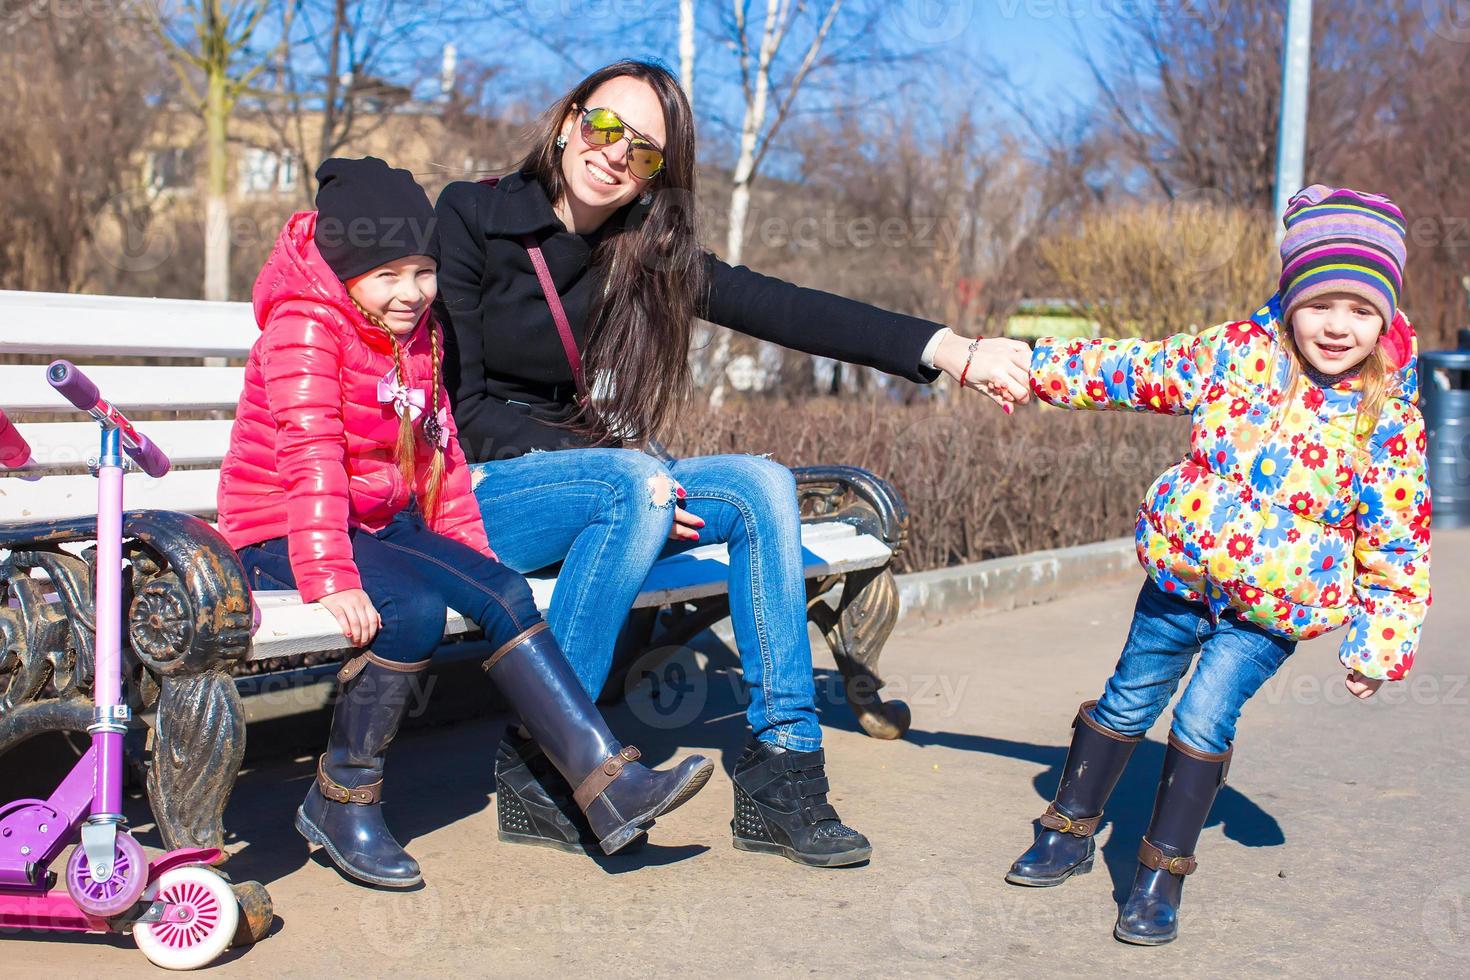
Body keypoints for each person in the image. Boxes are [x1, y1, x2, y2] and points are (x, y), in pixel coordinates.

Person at [432, 60, 1033, 868]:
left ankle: (783, 770)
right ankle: (552, 763)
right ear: (571, 119)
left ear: (656, 178)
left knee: (759, 486)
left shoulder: (637, 249)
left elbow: (785, 307)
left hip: (599, 485)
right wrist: (628, 479)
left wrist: (950, 350)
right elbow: (462, 409)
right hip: (483, 489)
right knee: (636, 480)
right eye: (606, 128)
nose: (615, 155)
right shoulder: (473, 214)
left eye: (644, 152)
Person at [216, 156, 713, 889]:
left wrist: (476, 560)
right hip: (282, 530)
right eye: (388, 276)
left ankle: (606, 783)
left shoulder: (413, 336)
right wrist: (328, 575)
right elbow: (310, 454)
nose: (412, 294)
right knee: (409, 611)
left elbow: (441, 458)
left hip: (382, 524)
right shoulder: (304, 329)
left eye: (423, 271)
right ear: (346, 270)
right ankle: (342, 799)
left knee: (505, 593)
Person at [1010, 185, 1431, 944]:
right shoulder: (1235, 354)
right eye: (1321, 304)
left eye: (1361, 311)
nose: (1338, 327)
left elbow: (1398, 537)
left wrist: (1379, 642)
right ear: (1290, 295)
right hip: (1179, 586)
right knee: (1128, 701)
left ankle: (1160, 873)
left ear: (1385, 318)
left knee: (1205, 713)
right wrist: (1029, 367)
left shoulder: (1388, 416)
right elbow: (1132, 369)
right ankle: (1068, 828)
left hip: (1269, 615)